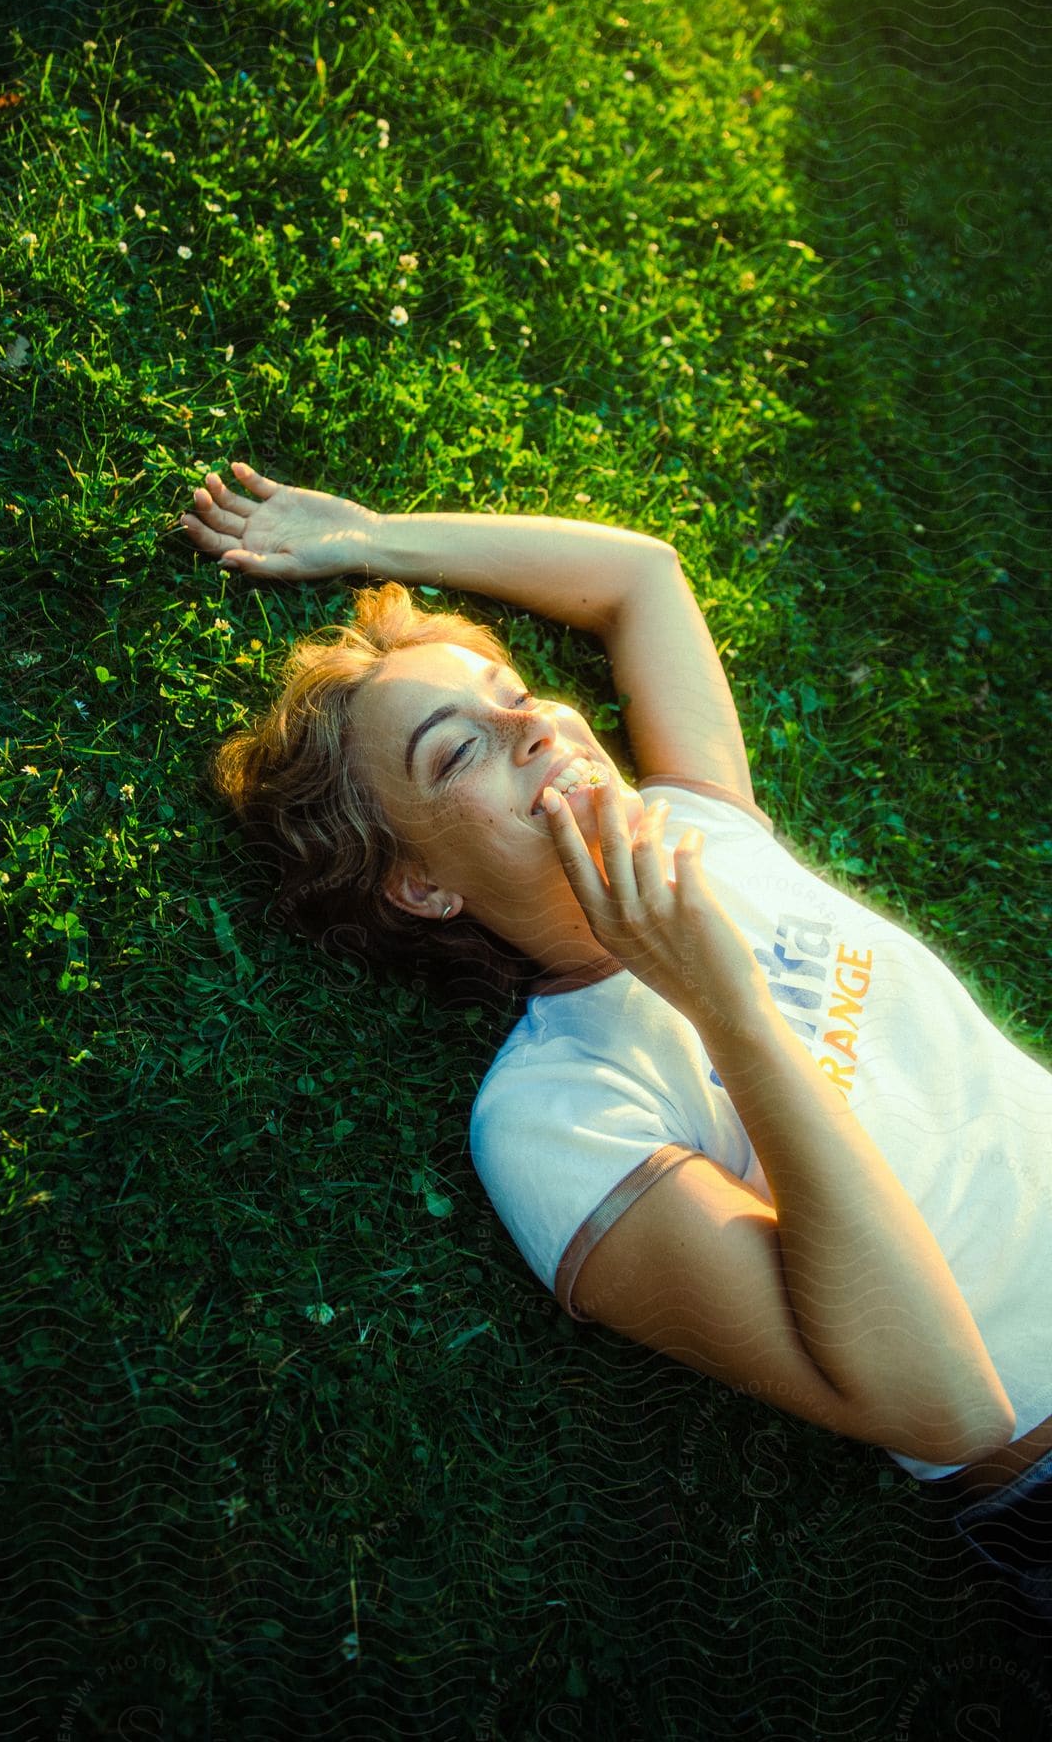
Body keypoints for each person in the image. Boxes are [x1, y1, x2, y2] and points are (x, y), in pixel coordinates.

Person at [180, 461, 1052, 1619]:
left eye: (514, 690)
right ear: (426, 888)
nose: (535, 722)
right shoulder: (557, 1111)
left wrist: (373, 535)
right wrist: (725, 1008)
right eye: (460, 750)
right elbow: (943, 1408)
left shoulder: (702, 823)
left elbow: (642, 579)